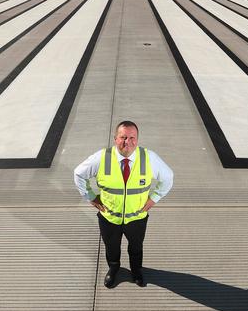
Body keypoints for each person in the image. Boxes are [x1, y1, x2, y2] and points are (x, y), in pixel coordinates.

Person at [73, 121, 174, 288]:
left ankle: (136, 271)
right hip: (109, 217)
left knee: (136, 247)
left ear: (138, 139)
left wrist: (154, 198)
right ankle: (114, 269)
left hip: (137, 218)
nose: (127, 142)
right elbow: (78, 174)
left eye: (132, 138)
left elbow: (168, 177)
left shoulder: (149, 158)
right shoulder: (102, 157)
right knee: (111, 247)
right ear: (115, 139)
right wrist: (90, 196)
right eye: (123, 137)